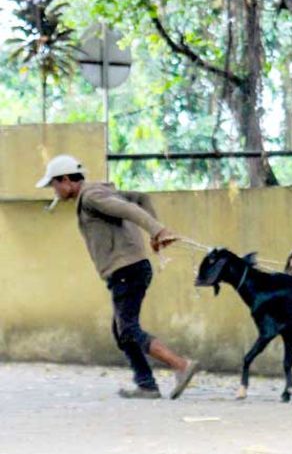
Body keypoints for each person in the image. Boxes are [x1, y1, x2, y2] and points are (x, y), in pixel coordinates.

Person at [36, 155, 200, 399]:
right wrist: (155, 233)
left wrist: (158, 231)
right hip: (131, 269)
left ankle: (181, 366)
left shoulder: (92, 196)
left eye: (54, 184)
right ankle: (146, 385)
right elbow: (141, 199)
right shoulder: (98, 193)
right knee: (121, 329)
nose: (54, 190)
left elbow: (129, 208)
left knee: (128, 329)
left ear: (67, 180)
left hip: (126, 270)